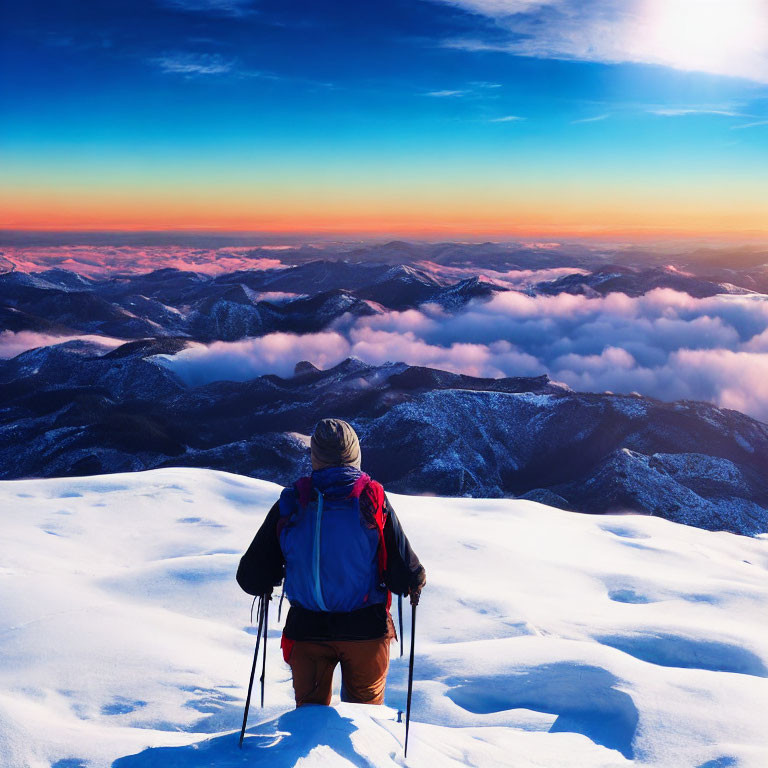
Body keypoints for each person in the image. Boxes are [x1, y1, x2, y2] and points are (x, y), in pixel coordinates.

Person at [236, 418, 426, 707]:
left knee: (308, 718)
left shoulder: (291, 502)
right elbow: (404, 576)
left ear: (315, 456)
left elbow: (251, 576)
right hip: (366, 629)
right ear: (355, 454)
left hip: (306, 631)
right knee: (363, 721)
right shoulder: (372, 499)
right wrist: (417, 579)